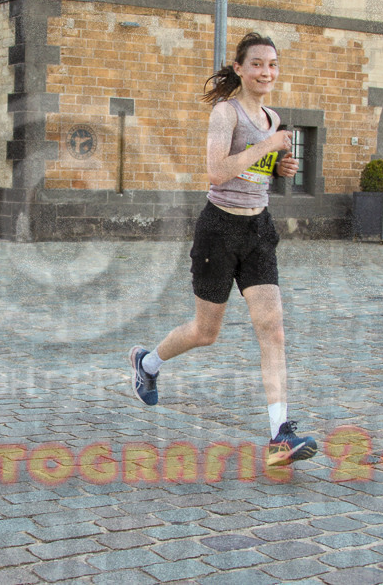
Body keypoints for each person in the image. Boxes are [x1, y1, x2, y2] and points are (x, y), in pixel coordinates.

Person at [126, 32, 317, 467]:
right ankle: (147, 363)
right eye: (257, 64)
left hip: (258, 230)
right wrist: (268, 146)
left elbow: (256, 170)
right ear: (240, 69)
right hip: (219, 230)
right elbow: (216, 171)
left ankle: (280, 435)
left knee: (273, 329)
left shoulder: (272, 117)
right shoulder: (225, 113)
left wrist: (280, 167)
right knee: (205, 332)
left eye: (272, 64)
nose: (266, 72)